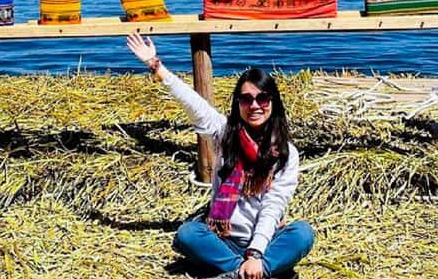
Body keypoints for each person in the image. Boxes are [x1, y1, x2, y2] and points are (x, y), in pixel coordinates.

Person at [126, 32, 315, 279]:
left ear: (273, 103)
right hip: (224, 240)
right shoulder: (224, 134)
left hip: (265, 240)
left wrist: (256, 252)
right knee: (188, 235)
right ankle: (254, 273)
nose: (255, 105)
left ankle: (242, 273)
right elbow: (193, 103)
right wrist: (155, 65)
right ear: (238, 103)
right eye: (246, 99)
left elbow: (273, 206)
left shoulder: (286, 153)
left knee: (302, 234)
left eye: (262, 98)